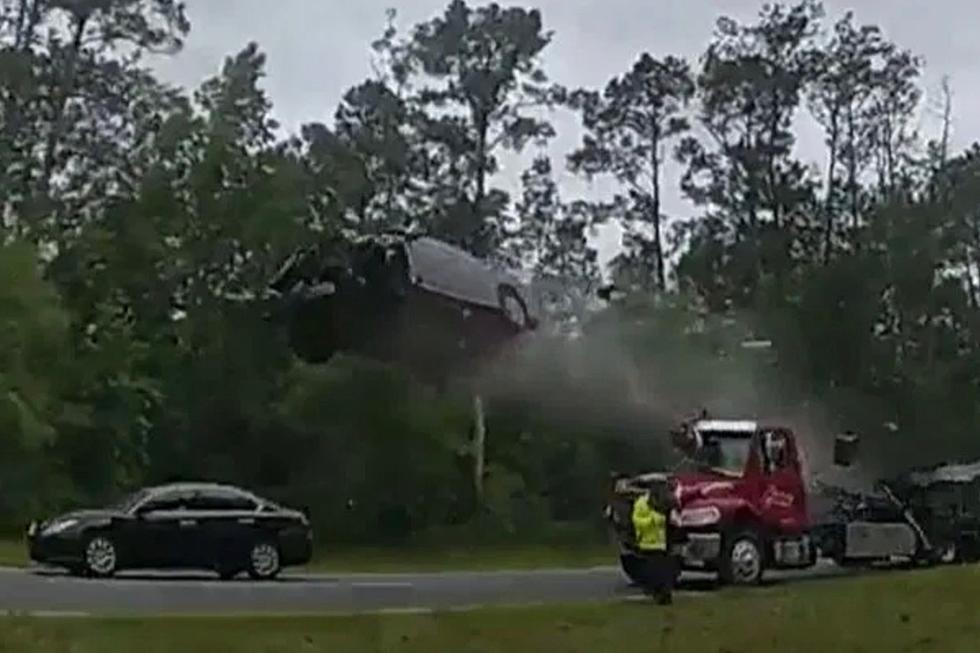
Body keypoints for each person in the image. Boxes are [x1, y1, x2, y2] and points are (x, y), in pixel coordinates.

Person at [630, 485, 676, 605]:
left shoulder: (666, 501)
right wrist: (653, 519)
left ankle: (665, 595)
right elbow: (637, 521)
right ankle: (657, 593)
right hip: (647, 543)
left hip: (662, 544)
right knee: (653, 571)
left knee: (664, 571)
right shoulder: (641, 503)